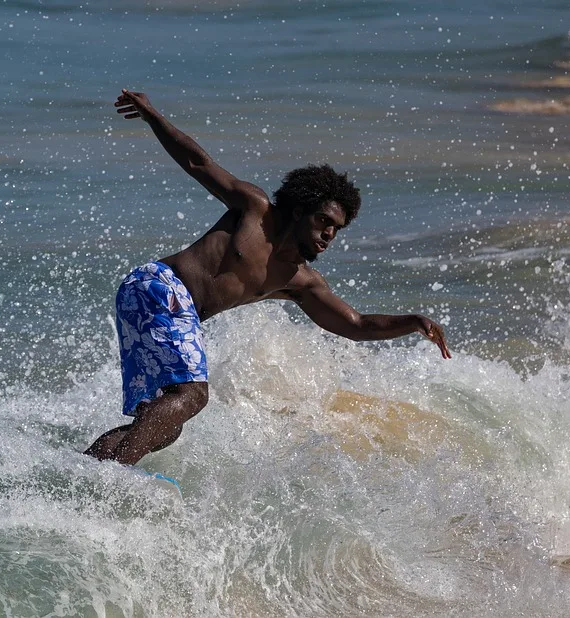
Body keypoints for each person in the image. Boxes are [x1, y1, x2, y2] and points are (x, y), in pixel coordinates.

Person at [84, 89, 451, 466]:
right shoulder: (256, 211)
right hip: (160, 286)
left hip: (156, 303)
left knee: (165, 423)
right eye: (322, 221)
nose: (328, 234)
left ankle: (86, 469)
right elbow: (198, 163)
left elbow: (355, 324)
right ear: (297, 211)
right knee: (192, 396)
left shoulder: (301, 281)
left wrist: (412, 322)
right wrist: (151, 116)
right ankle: (113, 478)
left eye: (337, 229)